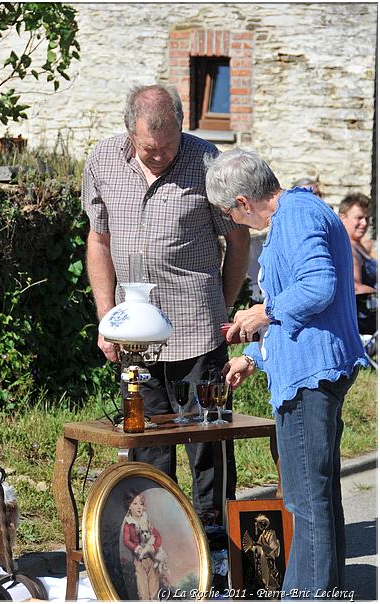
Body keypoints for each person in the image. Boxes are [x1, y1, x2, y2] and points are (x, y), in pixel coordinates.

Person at [82, 84, 250, 524]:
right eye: (149, 148)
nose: (159, 155)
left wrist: (223, 308)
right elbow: (98, 240)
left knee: (207, 441)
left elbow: (237, 239)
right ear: (128, 132)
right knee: (146, 440)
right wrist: (105, 318)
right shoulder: (102, 160)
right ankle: (159, 534)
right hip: (133, 332)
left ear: (182, 126)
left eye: (169, 145)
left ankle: (215, 536)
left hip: (196, 324)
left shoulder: (207, 160)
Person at [205, 148, 368, 599]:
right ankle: (326, 591)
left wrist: (265, 310)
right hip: (313, 367)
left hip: (311, 376)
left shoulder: (295, 216)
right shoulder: (302, 209)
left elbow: (318, 289)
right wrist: (253, 356)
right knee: (318, 493)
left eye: (228, 213)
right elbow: (308, 315)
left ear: (241, 201)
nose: (234, 223)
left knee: (304, 501)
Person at [122, 489, 167, 600]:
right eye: (135, 504)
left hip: (152, 559)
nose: (138, 507)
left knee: (154, 587)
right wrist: (136, 547)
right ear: (129, 506)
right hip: (139, 561)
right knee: (143, 589)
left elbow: (158, 537)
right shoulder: (129, 524)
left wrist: (153, 547)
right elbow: (126, 540)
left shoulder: (147, 521)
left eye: (141, 504)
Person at [339, 193, 377, 294]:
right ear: (342, 218)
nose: (364, 223)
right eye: (359, 218)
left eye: (367, 218)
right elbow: (355, 287)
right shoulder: (347, 248)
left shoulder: (358, 244)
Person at [242, 514, 282, 592]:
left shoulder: (271, 533)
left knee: (270, 576)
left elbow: (273, 548)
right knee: (263, 575)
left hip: (269, 558)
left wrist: (261, 548)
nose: (258, 527)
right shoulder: (262, 535)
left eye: (259, 524)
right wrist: (253, 546)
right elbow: (258, 546)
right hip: (263, 559)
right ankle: (266, 587)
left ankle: (270, 588)